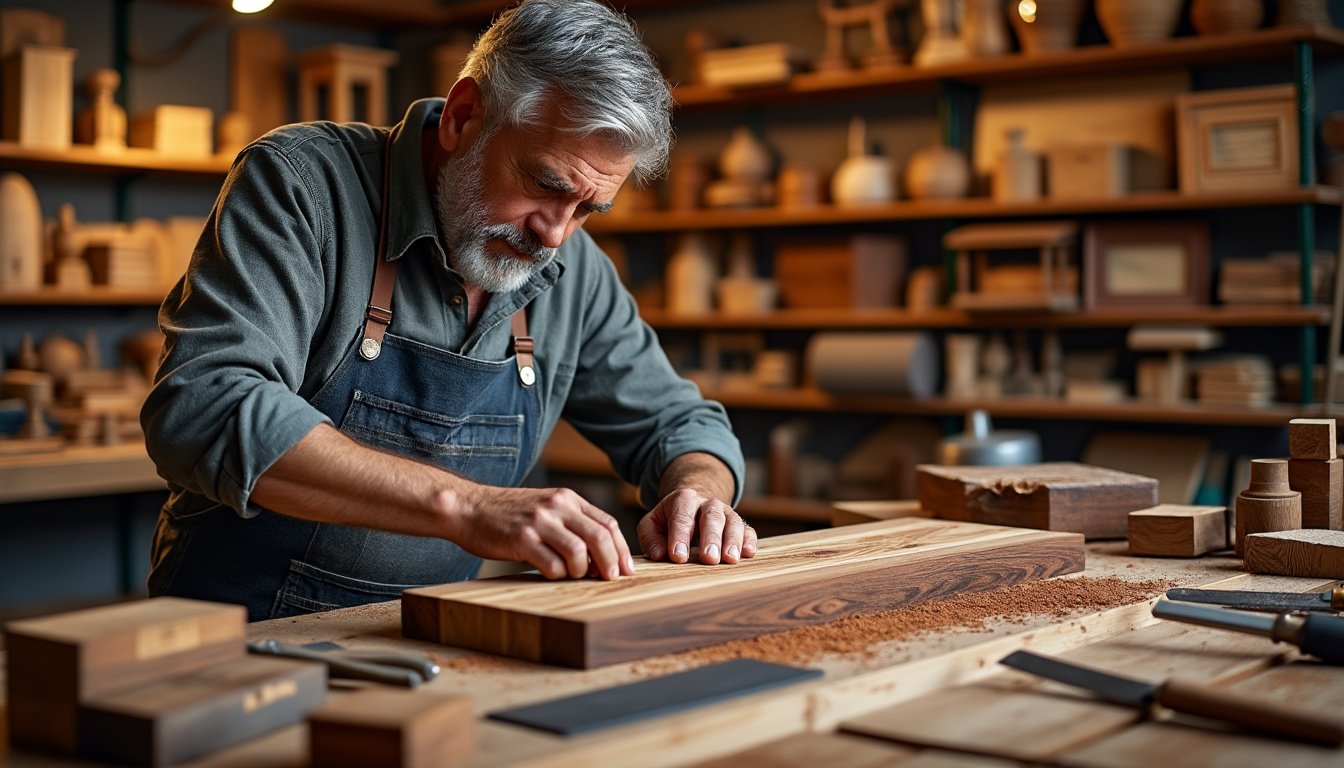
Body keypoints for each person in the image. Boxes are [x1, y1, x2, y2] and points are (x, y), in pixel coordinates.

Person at [141, 0, 753, 622]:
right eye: (545, 184)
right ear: (464, 117)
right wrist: (468, 510)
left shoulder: (573, 269)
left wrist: (699, 492)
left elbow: (679, 422)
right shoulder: (304, 186)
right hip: (241, 636)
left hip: (425, 640)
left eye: (588, 209)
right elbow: (206, 407)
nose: (554, 236)